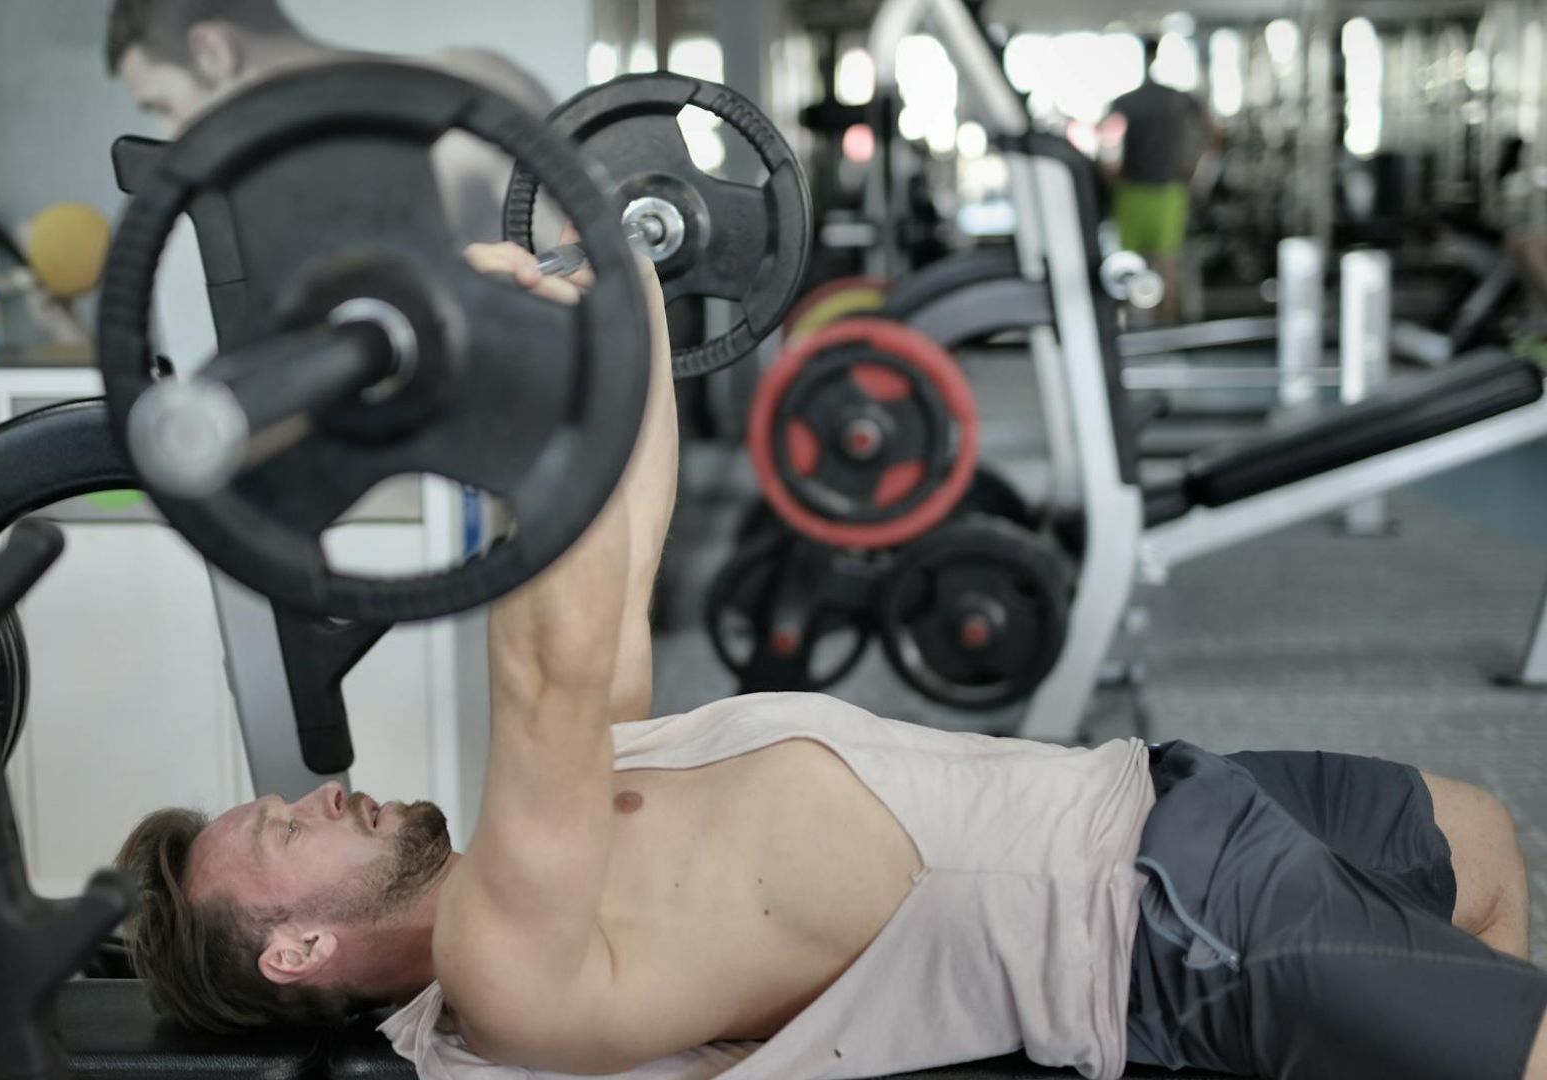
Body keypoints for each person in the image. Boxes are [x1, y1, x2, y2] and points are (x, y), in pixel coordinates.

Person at [113, 233, 1547, 1080]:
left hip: (1157, 799)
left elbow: (611, 582)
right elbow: (541, 673)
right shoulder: (504, 963)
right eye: (280, 832)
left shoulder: (551, 838)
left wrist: (630, 299)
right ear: (299, 949)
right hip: (1162, 926)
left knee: (1475, 842)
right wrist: (508, 387)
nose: (317, 795)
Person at [105, 0, 553, 244]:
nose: (172, 135)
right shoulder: (272, 183)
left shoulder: (471, 89)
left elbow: (608, 279)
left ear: (213, 51)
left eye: (163, 106)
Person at [1103, 36, 1223, 323]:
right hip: (1167, 187)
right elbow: (1216, 133)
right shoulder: (1177, 99)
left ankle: (1129, 326)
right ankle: (1164, 327)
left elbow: (1104, 140)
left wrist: (1109, 172)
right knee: (1165, 261)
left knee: (1129, 262)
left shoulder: (1130, 101)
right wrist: (1194, 168)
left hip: (1135, 188)